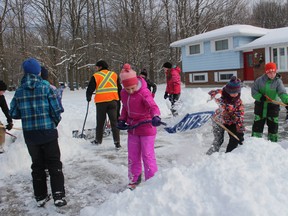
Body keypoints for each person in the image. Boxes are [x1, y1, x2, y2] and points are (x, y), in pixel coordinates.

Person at [9, 58, 67, 207]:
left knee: (37, 166)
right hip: (48, 132)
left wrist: (27, 114)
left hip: (31, 135)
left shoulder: (19, 91)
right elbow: (56, 109)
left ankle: (40, 196)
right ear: (38, 72)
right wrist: (54, 122)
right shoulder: (46, 87)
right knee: (54, 164)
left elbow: (14, 113)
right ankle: (58, 195)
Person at [117, 63, 162, 190]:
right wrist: (122, 119)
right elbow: (125, 108)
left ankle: (152, 180)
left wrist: (155, 116)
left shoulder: (144, 92)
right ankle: (134, 178)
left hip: (147, 126)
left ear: (136, 83)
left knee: (147, 155)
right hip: (133, 128)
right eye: (127, 89)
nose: (131, 91)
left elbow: (153, 106)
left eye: (133, 88)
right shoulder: (124, 93)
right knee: (133, 155)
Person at [86, 60, 122, 148]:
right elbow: (119, 87)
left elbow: (90, 88)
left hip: (101, 102)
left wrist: (88, 97)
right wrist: (119, 99)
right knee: (114, 122)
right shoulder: (114, 75)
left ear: (100, 67)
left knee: (100, 122)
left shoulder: (96, 76)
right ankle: (117, 142)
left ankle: (98, 140)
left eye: (97, 67)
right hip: (113, 101)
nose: (96, 68)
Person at [206, 76, 245, 155]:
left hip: (230, 121)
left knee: (235, 139)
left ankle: (228, 156)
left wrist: (240, 131)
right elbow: (209, 95)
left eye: (236, 92)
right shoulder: (220, 96)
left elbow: (239, 116)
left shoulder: (238, 102)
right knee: (219, 140)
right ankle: (209, 156)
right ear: (228, 91)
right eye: (232, 92)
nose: (234, 94)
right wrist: (215, 94)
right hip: (218, 121)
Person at [251, 62, 288, 142]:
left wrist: (287, 101)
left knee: (273, 128)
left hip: (273, 108)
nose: (272, 75)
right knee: (257, 127)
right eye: (270, 73)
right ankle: (255, 144)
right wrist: (260, 97)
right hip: (260, 107)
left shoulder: (278, 82)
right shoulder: (259, 80)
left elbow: (282, 93)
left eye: (274, 72)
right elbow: (254, 92)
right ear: (266, 72)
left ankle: (273, 144)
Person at [0, 80, 13, 153]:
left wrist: (10, 121)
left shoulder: (1, 98)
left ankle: (0, 147)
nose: (3, 92)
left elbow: (6, 110)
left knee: (1, 130)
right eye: (2, 91)